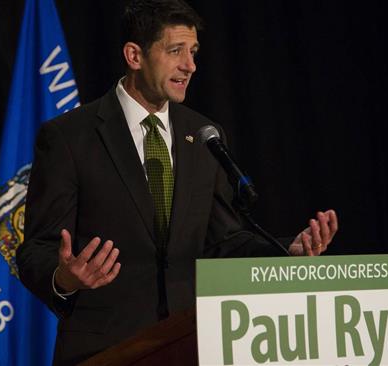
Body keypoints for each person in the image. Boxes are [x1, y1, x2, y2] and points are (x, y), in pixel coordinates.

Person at [17, 0, 338, 364]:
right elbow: (35, 250)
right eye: (176, 51)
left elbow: (224, 241)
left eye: (194, 52)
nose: (190, 65)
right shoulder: (70, 137)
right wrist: (65, 278)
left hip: (189, 343)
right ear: (134, 55)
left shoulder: (203, 135)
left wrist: (285, 251)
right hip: (104, 350)